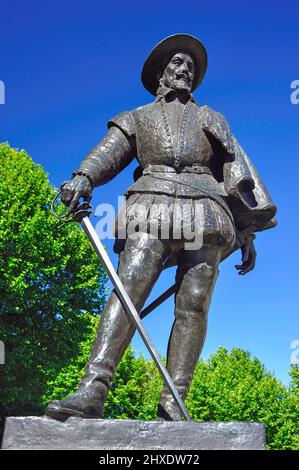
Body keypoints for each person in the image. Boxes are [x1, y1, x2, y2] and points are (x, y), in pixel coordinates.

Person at [45, 34, 277, 421]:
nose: (185, 69)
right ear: (160, 74)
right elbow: (108, 153)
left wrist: (247, 231)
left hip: (206, 208)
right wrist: (83, 177)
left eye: (191, 65)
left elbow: (237, 173)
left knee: (195, 304)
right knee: (128, 290)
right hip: (150, 204)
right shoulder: (136, 117)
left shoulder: (212, 118)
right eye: (177, 63)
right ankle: (93, 389)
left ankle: (174, 402)